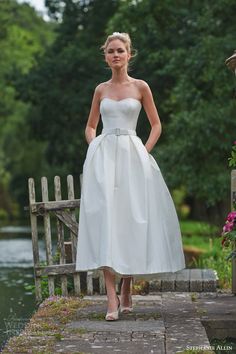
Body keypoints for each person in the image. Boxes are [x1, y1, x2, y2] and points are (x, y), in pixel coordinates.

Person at [75, 32, 186, 321]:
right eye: (110, 51)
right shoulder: (100, 90)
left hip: (133, 158)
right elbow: (90, 126)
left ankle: (127, 286)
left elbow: (157, 124)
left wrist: (144, 152)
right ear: (105, 56)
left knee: (132, 221)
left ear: (129, 54)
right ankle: (111, 299)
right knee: (105, 221)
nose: (115, 55)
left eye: (120, 50)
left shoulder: (141, 87)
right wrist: (95, 146)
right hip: (105, 160)